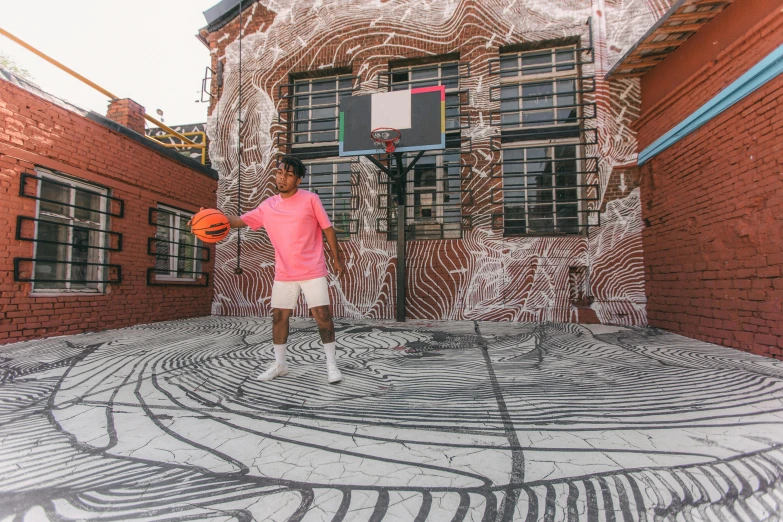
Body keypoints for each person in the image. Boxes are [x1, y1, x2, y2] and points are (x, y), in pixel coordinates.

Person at [222, 155, 345, 383]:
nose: (282, 178)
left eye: (288, 175)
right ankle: (280, 364)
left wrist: (337, 259)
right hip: (284, 273)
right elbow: (239, 221)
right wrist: (208, 218)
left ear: (297, 180)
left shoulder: (311, 199)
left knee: (323, 317)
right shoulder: (268, 206)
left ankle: (331, 365)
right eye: (280, 173)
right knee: (279, 317)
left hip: (312, 270)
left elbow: (327, 229)